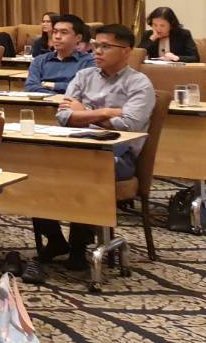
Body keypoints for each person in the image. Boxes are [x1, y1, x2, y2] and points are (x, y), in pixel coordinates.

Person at [25, 24, 157, 280]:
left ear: (126, 51)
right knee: (35, 168)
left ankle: (78, 246)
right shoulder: (84, 76)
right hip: (76, 146)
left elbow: (128, 124)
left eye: (105, 46)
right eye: (96, 45)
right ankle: (55, 239)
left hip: (119, 155)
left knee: (83, 168)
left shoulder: (139, 84)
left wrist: (83, 112)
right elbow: (64, 116)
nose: (97, 51)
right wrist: (107, 112)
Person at [24, 13, 94, 93]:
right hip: (46, 101)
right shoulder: (39, 61)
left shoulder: (89, 61)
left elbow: (84, 88)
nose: (57, 37)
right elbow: (30, 87)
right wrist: (54, 95)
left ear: (78, 38)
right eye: (55, 32)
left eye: (64, 32)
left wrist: (53, 85)